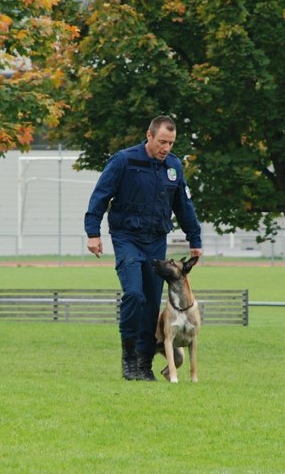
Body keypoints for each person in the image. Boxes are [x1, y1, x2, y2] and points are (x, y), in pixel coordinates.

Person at [84, 115, 203, 381]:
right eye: (162, 141)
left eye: (171, 143)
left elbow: (184, 206)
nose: (166, 148)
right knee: (135, 295)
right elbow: (100, 196)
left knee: (150, 304)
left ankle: (144, 363)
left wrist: (195, 239)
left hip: (156, 240)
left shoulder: (173, 166)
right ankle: (129, 359)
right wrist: (93, 232)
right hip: (127, 238)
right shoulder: (124, 160)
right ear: (149, 136)